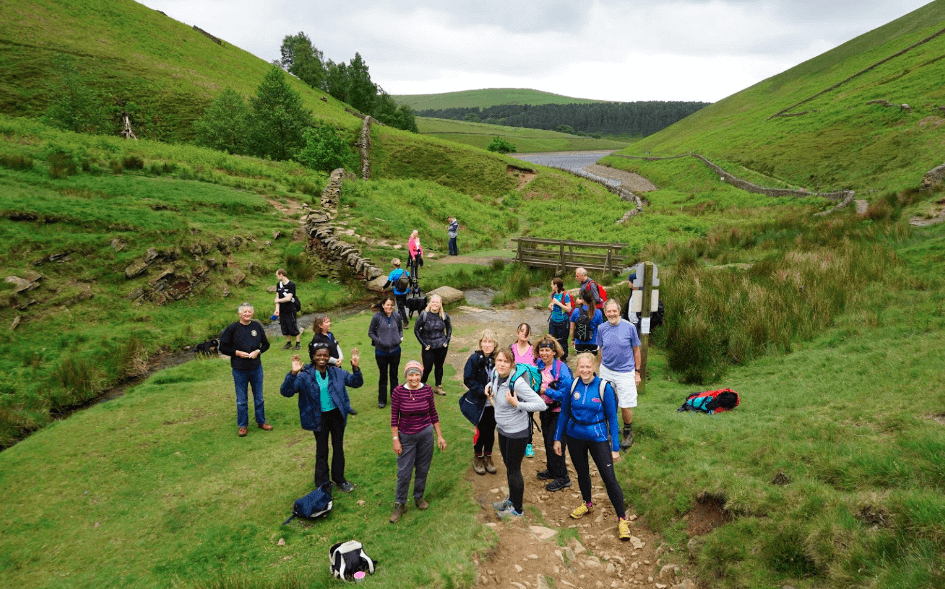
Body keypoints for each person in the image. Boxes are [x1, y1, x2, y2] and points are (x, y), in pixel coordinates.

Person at [553, 352, 632, 541]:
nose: (585, 370)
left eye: (588, 367)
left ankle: (622, 519)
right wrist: (557, 438)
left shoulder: (604, 388)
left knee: (609, 478)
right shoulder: (572, 386)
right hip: (574, 436)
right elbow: (564, 413)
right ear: (577, 368)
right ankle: (587, 503)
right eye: (582, 367)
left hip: (598, 437)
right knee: (582, 473)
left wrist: (615, 447)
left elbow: (613, 418)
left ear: (594, 367)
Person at [281, 342, 362, 493]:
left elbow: (356, 383)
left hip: (336, 415)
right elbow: (286, 392)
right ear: (313, 357)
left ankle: (340, 480)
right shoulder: (305, 376)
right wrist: (293, 373)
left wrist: (355, 367)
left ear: (329, 356)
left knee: (338, 448)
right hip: (318, 417)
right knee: (322, 449)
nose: (322, 358)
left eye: (325, 355)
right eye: (319, 355)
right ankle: (323, 483)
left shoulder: (337, 372)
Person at [487, 348, 547, 519]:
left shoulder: (518, 382)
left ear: (511, 363)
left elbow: (541, 404)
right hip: (503, 429)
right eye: (499, 360)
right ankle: (512, 500)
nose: (502, 364)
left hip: (517, 432)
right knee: (509, 467)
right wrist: (488, 387)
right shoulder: (495, 373)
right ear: (495, 362)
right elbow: (494, 385)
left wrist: (517, 404)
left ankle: (518, 510)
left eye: (506, 361)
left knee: (514, 469)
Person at [389, 360, 447, 523]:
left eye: (416, 374)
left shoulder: (427, 389)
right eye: (410, 375)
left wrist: (439, 436)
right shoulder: (398, 392)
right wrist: (395, 439)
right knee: (404, 471)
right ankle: (400, 504)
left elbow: (433, 413)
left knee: (423, 468)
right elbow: (394, 418)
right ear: (406, 376)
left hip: (425, 435)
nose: (414, 378)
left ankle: (418, 497)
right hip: (406, 436)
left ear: (421, 375)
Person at [218, 302, 272, 437]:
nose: (247, 314)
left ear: (252, 313)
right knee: (242, 399)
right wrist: (236, 353)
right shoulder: (232, 328)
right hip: (239, 369)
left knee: (259, 397)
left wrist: (258, 351)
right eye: (244, 312)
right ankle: (243, 425)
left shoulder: (257, 326)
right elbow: (222, 348)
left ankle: (261, 421)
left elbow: (266, 344)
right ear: (239, 314)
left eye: (249, 312)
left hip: (256, 368)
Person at [597, 298, 642, 449]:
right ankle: (610, 430)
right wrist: (599, 368)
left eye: (614, 311)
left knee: (625, 405)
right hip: (606, 371)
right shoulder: (601, 328)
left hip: (625, 372)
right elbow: (600, 349)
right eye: (608, 311)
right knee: (607, 402)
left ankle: (628, 432)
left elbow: (636, 350)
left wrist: (637, 372)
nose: (611, 314)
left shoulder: (629, 327)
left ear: (619, 311)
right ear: (605, 312)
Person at [533, 335, 573, 492]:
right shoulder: (539, 365)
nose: (544, 353)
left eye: (547, 350)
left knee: (556, 443)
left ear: (554, 352)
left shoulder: (561, 369)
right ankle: (552, 469)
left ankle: (563, 477)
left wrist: (546, 390)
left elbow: (566, 394)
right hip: (545, 410)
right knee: (547, 440)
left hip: (560, 412)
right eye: (541, 350)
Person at [463, 330, 499, 475]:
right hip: (480, 402)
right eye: (484, 341)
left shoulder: (498, 358)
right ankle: (478, 456)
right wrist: (481, 389)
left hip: (495, 403)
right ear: (480, 343)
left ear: (495, 344)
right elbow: (468, 379)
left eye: (490, 342)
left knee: (491, 430)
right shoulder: (474, 358)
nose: (487, 345)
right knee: (481, 430)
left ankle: (488, 456)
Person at [310, 314, 356, 414]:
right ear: (320, 325)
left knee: (341, 385)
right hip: (326, 367)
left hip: (337, 365)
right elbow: (320, 355)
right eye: (327, 322)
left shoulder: (330, 334)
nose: (329, 323)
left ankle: (346, 407)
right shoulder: (317, 338)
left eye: (329, 321)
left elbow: (337, 345)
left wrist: (341, 358)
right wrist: (335, 361)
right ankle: (334, 407)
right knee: (331, 387)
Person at [369, 296, 404, 409]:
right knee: (383, 376)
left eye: (391, 305)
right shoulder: (377, 317)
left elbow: (400, 328)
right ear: (383, 305)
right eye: (387, 305)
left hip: (395, 351)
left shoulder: (397, 316)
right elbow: (370, 333)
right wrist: (379, 341)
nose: (389, 307)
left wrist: (400, 338)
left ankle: (395, 399)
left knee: (394, 375)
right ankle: (382, 400)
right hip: (381, 352)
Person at [414, 294, 451, 395]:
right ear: (429, 303)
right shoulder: (424, 315)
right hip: (428, 346)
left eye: (437, 302)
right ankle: (420, 387)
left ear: (440, 304)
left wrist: (447, 341)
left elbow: (449, 328)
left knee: (439, 366)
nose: (435, 304)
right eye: (433, 302)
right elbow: (416, 330)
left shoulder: (444, 315)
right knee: (427, 368)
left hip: (441, 346)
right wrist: (424, 344)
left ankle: (438, 386)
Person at [510, 323, 536, 458]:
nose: (523, 334)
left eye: (526, 332)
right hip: (513, 388)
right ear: (517, 332)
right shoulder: (511, 349)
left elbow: (537, 371)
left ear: (529, 335)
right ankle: (514, 441)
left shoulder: (534, 350)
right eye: (521, 331)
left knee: (528, 416)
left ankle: (528, 443)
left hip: (528, 390)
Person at [273, 269, 302, 351]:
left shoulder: (291, 284)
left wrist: (278, 301)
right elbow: (277, 297)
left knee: (292, 325)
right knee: (284, 326)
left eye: (277, 275)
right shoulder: (278, 285)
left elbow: (288, 298)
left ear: (281, 274)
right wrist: (277, 309)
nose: (276, 277)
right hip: (282, 309)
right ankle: (288, 343)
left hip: (290, 309)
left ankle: (298, 344)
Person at [570, 290, 604, 355]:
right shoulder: (597, 312)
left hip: (579, 342)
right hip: (593, 342)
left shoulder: (576, 311)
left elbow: (572, 328)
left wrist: (572, 339)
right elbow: (600, 329)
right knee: (591, 363)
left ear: (583, 300)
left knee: (581, 362)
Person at [547, 277, 573, 361]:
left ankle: (563, 359)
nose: (551, 285)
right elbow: (553, 303)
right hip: (553, 320)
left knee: (563, 341)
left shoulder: (566, 295)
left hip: (563, 321)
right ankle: (553, 357)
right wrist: (550, 305)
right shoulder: (554, 294)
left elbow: (569, 309)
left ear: (556, 286)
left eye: (552, 284)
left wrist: (558, 303)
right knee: (551, 340)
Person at [382, 258, 411, 328]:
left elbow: (388, 282)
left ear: (393, 265)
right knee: (402, 306)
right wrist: (408, 288)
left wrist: (383, 288)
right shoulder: (405, 271)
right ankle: (398, 318)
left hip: (397, 292)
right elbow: (410, 280)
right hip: (405, 291)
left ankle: (405, 322)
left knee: (400, 307)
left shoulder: (393, 273)